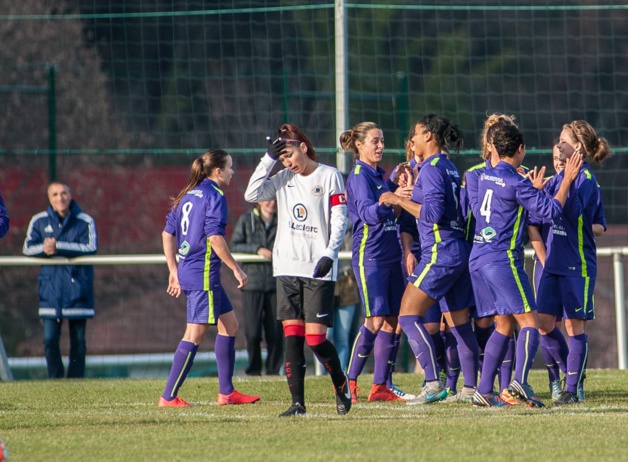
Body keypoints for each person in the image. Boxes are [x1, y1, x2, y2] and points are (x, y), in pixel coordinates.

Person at [469, 123, 582, 407]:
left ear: (494, 149)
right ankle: (519, 383)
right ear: (521, 149)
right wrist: (566, 179)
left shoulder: (485, 176)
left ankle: (483, 389)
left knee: (504, 324)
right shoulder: (517, 182)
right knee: (530, 321)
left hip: (478, 258)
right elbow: (551, 210)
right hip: (502, 259)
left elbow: (508, 202)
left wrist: (532, 191)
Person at [244, 123, 351, 417]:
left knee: (315, 339)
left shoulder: (329, 175)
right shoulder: (282, 178)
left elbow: (340, 219)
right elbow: (251, 194)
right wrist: (268, 159)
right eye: (282, 159)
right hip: (287, 267)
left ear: (303, 147)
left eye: (289, 155)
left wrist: (331, 253)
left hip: (318, 267)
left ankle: (340, 383)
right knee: (291, 336)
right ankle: (297, 404)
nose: (288, 162)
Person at [379, 114, 479, 405]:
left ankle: (433, 383)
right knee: (460, 324)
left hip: (440, 250)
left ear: (431, 137)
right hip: (457, 249)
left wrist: (397, 199)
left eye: (418, 133)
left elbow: (432, 214)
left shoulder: (433, 168)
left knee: (408, 315)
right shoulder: (446, 166)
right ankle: (472, 389)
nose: (413, 139)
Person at [159, 149, 260, 407]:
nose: (233, 172)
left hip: (193, 271)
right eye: (230, 168)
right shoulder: (214, 195)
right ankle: (168, 396)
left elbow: (167, 233)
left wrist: (173, 269)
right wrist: (236, 268)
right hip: (201, 273)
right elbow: (215, 238)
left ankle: (226, 392)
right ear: (218, 171)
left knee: (230, 325)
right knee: (194, 333)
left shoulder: (188, 194)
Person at [536, 120, 611, 406]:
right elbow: (542, 210)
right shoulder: (559, 178)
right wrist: (532, 188)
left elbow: (572, 215)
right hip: (553, 263)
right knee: (543, 323)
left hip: (576, 265)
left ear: (577, 147)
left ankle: (571, 389)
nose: (557, 145)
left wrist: (565, 183)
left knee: (574, 326)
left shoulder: (586, 181)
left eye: (563, 140)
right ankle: (572, 372)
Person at [342, 121, 412, 403]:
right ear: (359, 145)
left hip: (390, 253)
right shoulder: (359, 175)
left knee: (395, 321)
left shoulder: (379, 176)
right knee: (374, 319)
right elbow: (367, 214)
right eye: (375, 141)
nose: (380, 146)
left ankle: (380, 385)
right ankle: (349, 382)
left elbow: (390, 213)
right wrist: (390, 198)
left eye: (382, 140)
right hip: (370, 255)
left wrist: (396, 188)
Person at [462, 113, 519, 403]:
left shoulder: (515, 175)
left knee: (506, 320)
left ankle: (504, 387)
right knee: (488, 323)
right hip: (486, 255)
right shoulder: (475, 175)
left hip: (504, 255)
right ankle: (476, 384)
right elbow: (479, 215)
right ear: (489, 143)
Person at [23, 181, 97, 379]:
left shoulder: (85, 221)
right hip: (50, 291)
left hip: (78, 289)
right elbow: (27, 248)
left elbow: (90, 247)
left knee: (79, 341)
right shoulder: (38, 221)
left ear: (70, 195)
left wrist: (58, 247)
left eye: (63, 193)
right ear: (49, 198)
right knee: (49, 339)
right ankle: (55, 379)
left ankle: (75, 380)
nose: (60, 198)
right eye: (55, 194)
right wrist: (44, 249)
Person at [230, 199, 283, 376]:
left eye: (274, 199)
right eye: (267, 199)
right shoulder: (247, 220)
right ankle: (253, 370)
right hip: (252, 283)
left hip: (276, 283)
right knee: (253, 332)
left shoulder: (283, 219)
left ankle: (273, 371)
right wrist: (257, 249)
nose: (272, 203)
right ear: (259, 201)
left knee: (275, 332)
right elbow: (234, 245)